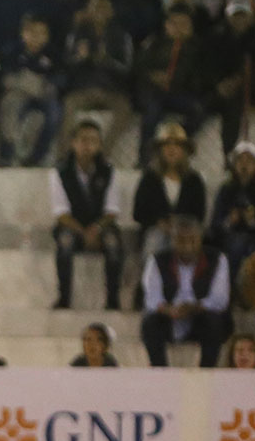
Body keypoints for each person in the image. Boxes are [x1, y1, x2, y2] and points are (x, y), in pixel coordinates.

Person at [50, 118, 123, 310]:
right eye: (83, 140)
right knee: (65, 244)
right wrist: (84, 232)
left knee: (113, 245)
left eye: (93, 141)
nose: (87, 146)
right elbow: (61, 213)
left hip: (100, 225)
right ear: (73, 143)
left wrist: (96, 229)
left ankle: (113, 300)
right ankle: (64, 298)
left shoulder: (108, 171)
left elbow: (112, 211)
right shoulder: (60, 172)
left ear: (99, 145)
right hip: (73, 225)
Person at [141, 216, 231, 368]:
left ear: (200, 239)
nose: (187, 245)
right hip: (169, 316)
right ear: (173, 240)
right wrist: (169, 310)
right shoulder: (158, 260)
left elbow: (219, 299)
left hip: (199, 316)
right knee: (150, 323)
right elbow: (151, 299)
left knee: (214, 322)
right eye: (181, 240)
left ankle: (206, 372)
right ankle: (159, 372)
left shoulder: (217, 259)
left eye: (192, 240)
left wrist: (193, 308)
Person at [57, 0, 133, 157]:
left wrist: (107, 60)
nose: (99, 12)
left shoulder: (121, 36)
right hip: (84, 89)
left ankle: (102, 155)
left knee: (125, 110)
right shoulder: (77, 34)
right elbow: (66, 65)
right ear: (89, 11)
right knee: (68, 105)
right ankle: (65, 156)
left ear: (111, 11)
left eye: (104, 8)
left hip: (111, 91)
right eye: (95, 7)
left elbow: (127, 69)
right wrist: (80, 58)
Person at [135, 2, 204, 167]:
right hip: (154, 92)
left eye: (184, 24)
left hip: (180, 93)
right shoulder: (155, 43)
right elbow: (138, 67)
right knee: (151, 113)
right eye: (175, 24)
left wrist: (177, 79)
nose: (179, 28)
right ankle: (144, 159)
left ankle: (175, 142)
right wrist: (154, 76)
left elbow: (200, 76)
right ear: (167, 25)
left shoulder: (196, 48)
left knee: (198, 110)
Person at [132, 121, 206, 263]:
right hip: (156, 231)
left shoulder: (194, 180)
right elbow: (138, 213)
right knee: (155, 243)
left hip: (186, 232)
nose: (171, 149)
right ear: (159, 150)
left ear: (184, 150)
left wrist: (180, 223)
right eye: (167, 145)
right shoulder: (150, 179)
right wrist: (159, 222)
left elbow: (199, 214)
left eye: (177, 145)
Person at [0, 13, 61, 168]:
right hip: (19, 93)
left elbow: (59, 78)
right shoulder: (11, 51)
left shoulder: (53, 54)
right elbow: (5, 78)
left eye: (41, 33)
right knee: (9, 105)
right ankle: (6, 154)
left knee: (54, 114)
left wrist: (46, 85)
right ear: (23, 33)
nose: (36, 37)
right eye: (32, 32)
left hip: (44, 95)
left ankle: (37, 157)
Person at [206, 0, 255, 158]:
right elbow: (210, 66)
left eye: (243, 15)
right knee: (229, 106)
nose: (239, 20)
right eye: (235, 15)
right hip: (224, 90)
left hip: (249, 86)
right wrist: (219, 84)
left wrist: (240, 80)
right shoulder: (217, 37)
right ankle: (229, 156)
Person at [209, 138, 255, 286]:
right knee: (236, 244)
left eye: (249, 161)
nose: (244, 165)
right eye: (240, 160)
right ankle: (230, 288)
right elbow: (216, 223)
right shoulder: (226, 189)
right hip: (231, 236)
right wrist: (229, 220)